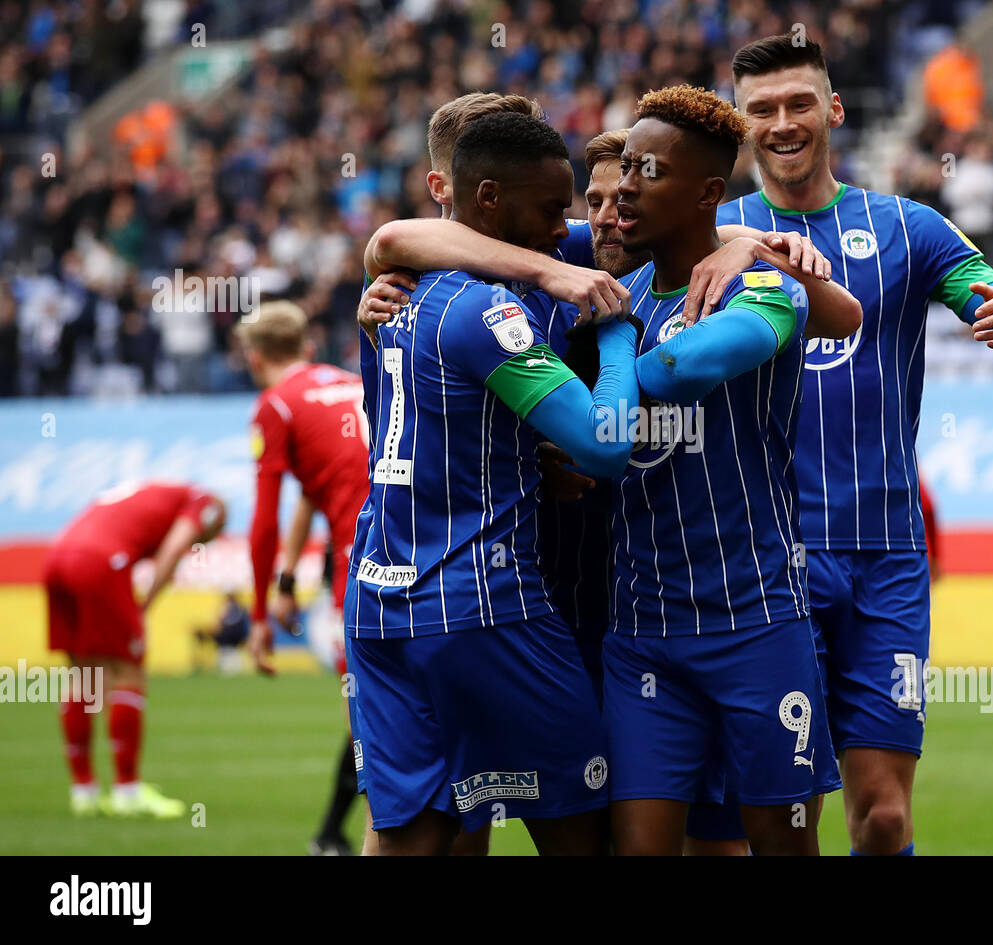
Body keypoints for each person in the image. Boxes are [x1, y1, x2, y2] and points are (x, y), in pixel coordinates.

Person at [716, 33, 993, 855]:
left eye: (800, 103)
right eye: (762, 109)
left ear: (833, 110)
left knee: (885, 816)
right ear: (741, 124)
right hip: (764, 560)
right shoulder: (713, 233)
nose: (784, 122)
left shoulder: (907, 228)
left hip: (883, 558)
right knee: (782, 817)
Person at [345, 111, 644, 855]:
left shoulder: (401, 291)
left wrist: (515, 451)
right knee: (589, 831)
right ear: (483, 199)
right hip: (483, 602)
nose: (564, 226)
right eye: (552, 209)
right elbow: (605, 446)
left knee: (421, 833)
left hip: (378, 601)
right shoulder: (488, 306)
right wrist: (613, 331)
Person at [600, 84, 841, 856]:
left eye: (649, 172)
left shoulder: (765, 290)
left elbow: (680, 368)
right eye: (625, 166)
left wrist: (608, 342)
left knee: (783, 842)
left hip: (756, 620)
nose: (626, 187)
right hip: (642, 633)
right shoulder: (619, 286)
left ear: (709, 193)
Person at [236, 300, 372, 856]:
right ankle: (333, 836)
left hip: (363, 571)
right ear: (307, 347)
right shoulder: (351, 383)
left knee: (367, 722)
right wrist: (291, 580)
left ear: (252, 358)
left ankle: (365, 839)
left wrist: (261, 618)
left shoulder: (277, 406)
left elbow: (263, 522)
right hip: (424, 545)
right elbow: (320, 487)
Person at [44, 481, 225, 817]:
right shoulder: (204, 503)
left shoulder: (139, 493)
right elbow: (173, 549)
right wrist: (144, 607)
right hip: (99, 562)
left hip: (56, 559)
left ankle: (83, 792)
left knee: (83, 674)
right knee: (128, 671)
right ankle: (127, 791)